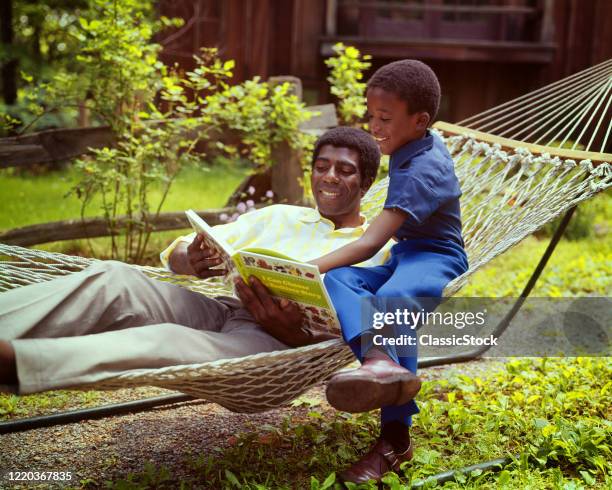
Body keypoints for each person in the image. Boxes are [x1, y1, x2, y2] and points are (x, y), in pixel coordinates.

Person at [0, 126, 393, 397]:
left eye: (344, 170)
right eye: (321, 166)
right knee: (114, 277)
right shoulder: (278, 215)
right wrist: (191, 257)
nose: (328, 177)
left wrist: (294, 335)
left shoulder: (376, 248)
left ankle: (18, 363)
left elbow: (360, 333)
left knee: (166, 339)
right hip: (223, 308)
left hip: (277, 345)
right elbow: (178, 254)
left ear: (366, 182)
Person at [310, 61, 469, 484]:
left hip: (437, 256)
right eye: (370, 115)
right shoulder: (411, 143)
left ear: (419, 122)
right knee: (340, 280)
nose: (373, 126)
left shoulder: (421, 170)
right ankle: (380, 361)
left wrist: (302, 269)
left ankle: (395, 438)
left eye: (384, 119)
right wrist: (321, 273)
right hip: (406, 256)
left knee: (392, 302)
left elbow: (369, 243)